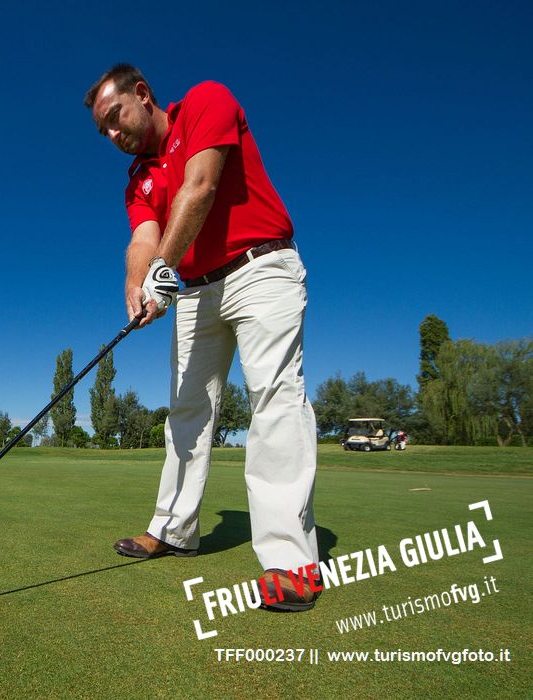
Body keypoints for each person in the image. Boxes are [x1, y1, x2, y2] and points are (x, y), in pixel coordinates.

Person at [85, 65, 320, 611]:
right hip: (195, 292)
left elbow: (201, 185)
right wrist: (138, 284)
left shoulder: (207, 100)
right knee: (187, 413)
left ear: (142, 94)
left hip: (261, 268)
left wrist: (162, 268)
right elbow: (142, 238)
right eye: (105, 132)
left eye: (116, 118)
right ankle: (173, 529)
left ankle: (289, 563)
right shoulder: (138, 179)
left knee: (274, 404)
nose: (114, 135)